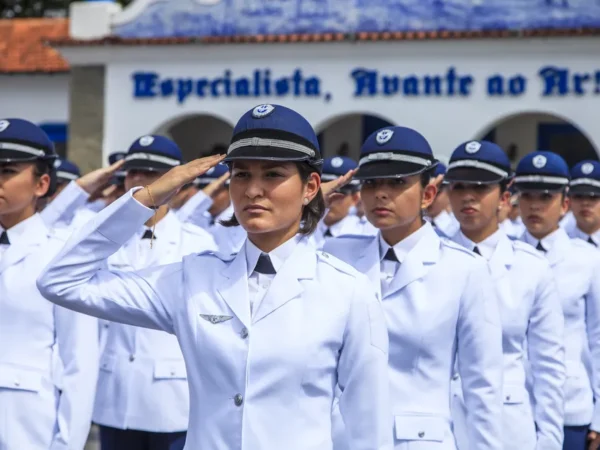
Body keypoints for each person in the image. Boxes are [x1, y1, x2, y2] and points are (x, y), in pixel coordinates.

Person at [37, 104, 392, 450]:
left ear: (311, 187)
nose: (253, 190)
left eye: (272, 174)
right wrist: (148, 197)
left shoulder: (347, 290)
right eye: (242, 174)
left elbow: (368, 425)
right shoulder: (193, 278)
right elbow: (61, 281)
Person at [325, 126, 503, 450]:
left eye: (397, 183)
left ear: (428, 194)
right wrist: (308, 201)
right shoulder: (337, 254)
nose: (381, 193)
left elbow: (482, 386)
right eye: (371, 183)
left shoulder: (465, 270)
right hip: (345, 439)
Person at [443, 140, 565, 449]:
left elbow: (547, 364)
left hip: (507, 424)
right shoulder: (430, 258)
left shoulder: (531, 267)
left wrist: (549, 438)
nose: (468, 196)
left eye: (481, 187)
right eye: (458, 186)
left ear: (504, 197)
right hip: (439, 424)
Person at [0, 118, 99, 449]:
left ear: (41, 184)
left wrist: (67, 443)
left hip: (27, 428)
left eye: (7, 171)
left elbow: (80, 365)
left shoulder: (61, 256)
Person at [513, 151, 600, 450]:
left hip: (570, 405)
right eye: (527, 195)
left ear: (564, 204)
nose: (535, 205)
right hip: (513, 406)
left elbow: (598, 338)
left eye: (546, 196)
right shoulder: (502, 257)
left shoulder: (587, 260)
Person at [172, 162, 246, 254]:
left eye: (216, 192)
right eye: (206, 191)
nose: (210, 198)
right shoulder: (203, 217)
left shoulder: (240, 221)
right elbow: (181, 220)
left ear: (231, 191)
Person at [566, 160, 600, 247]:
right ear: (569, 200)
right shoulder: (559, 243)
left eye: (593, 197)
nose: (585, 203)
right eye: (578, 196)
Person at [424, 162, 460, 238]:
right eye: (425, 194)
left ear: (450, 191)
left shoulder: (461, 223)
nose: (429, 199)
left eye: (436, 193)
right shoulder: (418, 223)